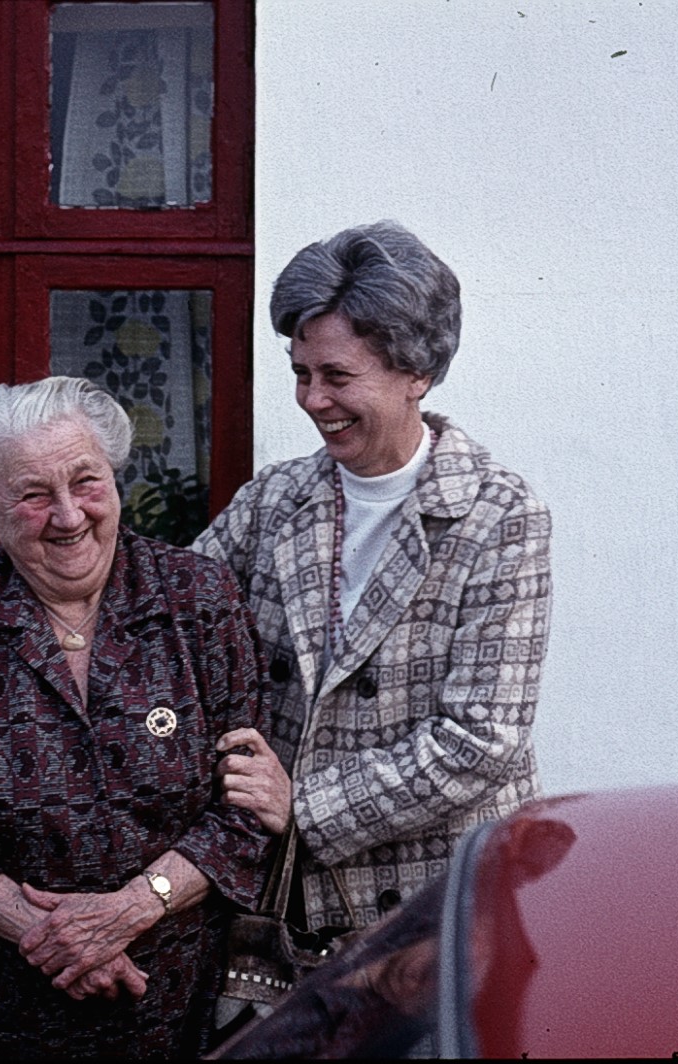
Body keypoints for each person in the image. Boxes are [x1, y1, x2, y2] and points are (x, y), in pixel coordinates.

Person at [0, 376, 273, 1059]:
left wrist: (130, 910)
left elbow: (248, 809)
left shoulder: (198, 598)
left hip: (179, 998)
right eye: (33, 494)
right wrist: (61, 940)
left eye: (86, 481)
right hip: (5, 1008)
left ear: (116, 479)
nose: (68, 515)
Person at [196, 220, 551, 939]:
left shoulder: (500, 516)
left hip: (438, 909)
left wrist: (302, 802)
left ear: (416, 372)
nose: (311, 400)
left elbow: (482, 738)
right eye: (301, 374)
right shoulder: (274, 499)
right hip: (283, 908)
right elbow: (173, 620)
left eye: (337, 377)